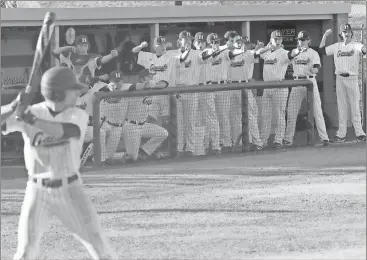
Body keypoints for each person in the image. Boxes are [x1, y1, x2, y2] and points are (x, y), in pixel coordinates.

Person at [1, 67, 118, 260]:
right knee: (25, 253)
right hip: (37, 191)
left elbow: (67, 131)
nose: (77, 92)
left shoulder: (76, 114)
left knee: (99, 247)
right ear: (58, 93)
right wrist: (14, 106)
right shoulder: (32, 111)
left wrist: (31, 120)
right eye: (72, 89)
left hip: (71, 189)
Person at [256, 30, 305, 148]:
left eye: (279, 39)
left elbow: (291, 54)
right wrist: (260, 47)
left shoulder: (283, 52)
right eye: (275, 39)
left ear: (282, 40)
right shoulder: (266, 53)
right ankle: (262, 141)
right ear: (271, 39)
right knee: (265, 116)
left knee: (279, 115)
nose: (277, 41)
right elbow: (257, 53)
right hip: (267, 87)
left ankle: (278, 139)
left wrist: (298, 50)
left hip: (279, 86)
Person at [319, 23, 366, 143]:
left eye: (348, 31)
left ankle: (360, 133)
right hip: (340, 78)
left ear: (351, 33)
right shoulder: (336, 46)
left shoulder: (355, 45)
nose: (347, 33)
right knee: (342, 107)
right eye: (344, 32)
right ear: (341, 34)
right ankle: (341, 134)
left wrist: (364, 49)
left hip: (352, 78)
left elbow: (363, 49)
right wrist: (325, 36)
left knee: (355, 106)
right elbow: (321, 51)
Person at [284, 30, 330, 146]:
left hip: (310, 81)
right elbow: (288, 56)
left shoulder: (313, 53)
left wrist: (314, 70)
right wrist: (297, 51)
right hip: (297, 82)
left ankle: (324, 138)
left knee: (317, 111)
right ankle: (288, 139)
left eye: (303, 40)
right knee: (291, 112)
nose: (301, 42)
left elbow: (316, 67)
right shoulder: (295, 52)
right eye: (299, 40)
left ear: (308, 40)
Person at [119, 69, 169, 162]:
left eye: (152, 76)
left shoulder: (152, 88)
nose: (151, 78)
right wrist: (145, 85)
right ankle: (121, 156)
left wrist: (155, 85)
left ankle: (144, 151)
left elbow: (165, 83)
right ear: (142, 79)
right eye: (149, 77)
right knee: (132, 159)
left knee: (163, 133)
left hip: (143, 125)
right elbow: (133, 87)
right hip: (131, 126)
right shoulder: (131, 87)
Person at [229, 34, 263, 151]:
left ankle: (257, 142)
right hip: (232, 87)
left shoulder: (248, 54)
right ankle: (238, 143)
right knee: (235, 117)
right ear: (233, 43)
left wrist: (260, 48)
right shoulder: (230, 55)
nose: (240, 43)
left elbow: (257, 54)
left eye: (242, 42)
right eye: (237, 41)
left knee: (250, 116)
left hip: (244, 87)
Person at [194, 32, 221, 155]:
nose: (200, 44)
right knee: (198, 119)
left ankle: (215, 146)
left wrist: (215, 49)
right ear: (194, 43)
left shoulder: (208, 51)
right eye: (198, 42)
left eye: (202, 42)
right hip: (194, 89)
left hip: (206, 87)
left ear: (205, 43)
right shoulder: (192, 54)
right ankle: (201, 147)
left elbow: (210, 54)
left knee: (211, 117)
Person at [53, 34, 118, 84]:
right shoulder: (70, 56)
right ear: (76, 46)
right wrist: (68, 47)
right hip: (73, 87)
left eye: (85, 45)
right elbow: (54, 52)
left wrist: (111, 55)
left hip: (87, 87)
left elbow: (101, 60)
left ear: (88, 46)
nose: (83, 48)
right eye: (81, 45)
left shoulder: (92, 56)